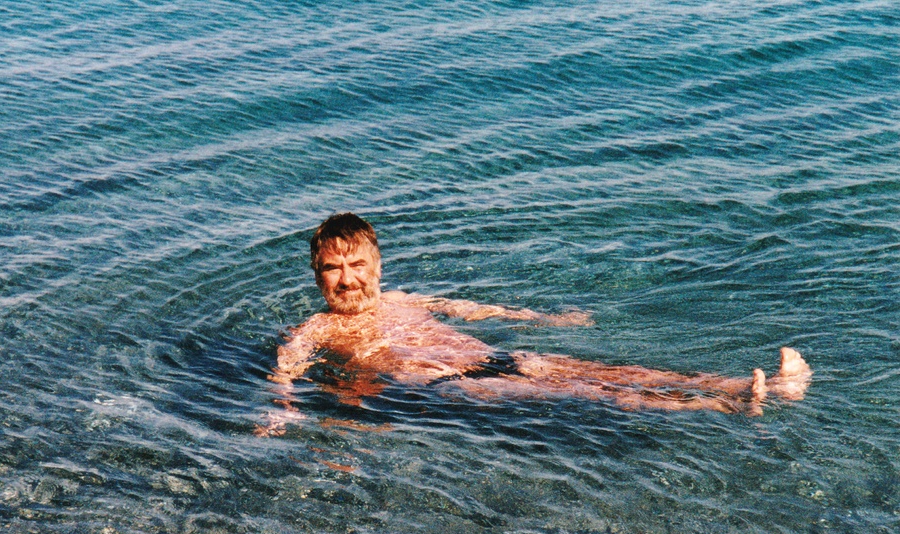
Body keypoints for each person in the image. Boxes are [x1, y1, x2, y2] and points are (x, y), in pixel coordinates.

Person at [257, 213, 811, 435]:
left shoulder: (404, 297)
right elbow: (285, 371)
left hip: (498, 358)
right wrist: (278, 416)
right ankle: (723, 405)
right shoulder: (317, 330)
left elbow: (476, 311)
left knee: (611, 370)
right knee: (589, 393)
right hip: (450, 385)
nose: (348, 279)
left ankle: (747, 385)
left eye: (357, 265)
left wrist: (545, 318)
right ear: (317, 277)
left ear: (378, 265)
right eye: (334, 269)